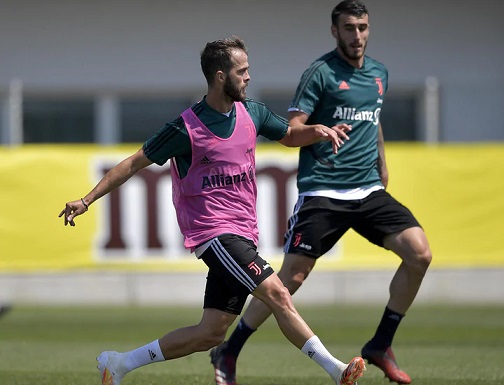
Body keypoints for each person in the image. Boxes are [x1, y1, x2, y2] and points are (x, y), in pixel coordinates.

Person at [58, 36, 366, 385]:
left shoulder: (253, 111)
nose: (248, 77)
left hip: (242, 232)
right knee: (278, 293)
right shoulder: (186, 127)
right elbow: (133, 163)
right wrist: (86, 200)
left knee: (211, 333)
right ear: (221, 77)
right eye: (242, 71)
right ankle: (336, 370)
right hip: (215, 233)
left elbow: (290, 136)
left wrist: (316, 132)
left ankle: (119, 364)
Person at [214, 1, 432, 385]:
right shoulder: (320, 73)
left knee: (419, 253)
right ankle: (229, 349)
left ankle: (380, 344)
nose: (357, 35)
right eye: (349, 28)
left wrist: (382, 161)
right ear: (335, 31)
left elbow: (374, 118)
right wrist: (320, 130)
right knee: (290, 280)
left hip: (368, 189)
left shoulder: (379, 73)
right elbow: (294, 127)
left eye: (363, 27)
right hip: (324, 190)